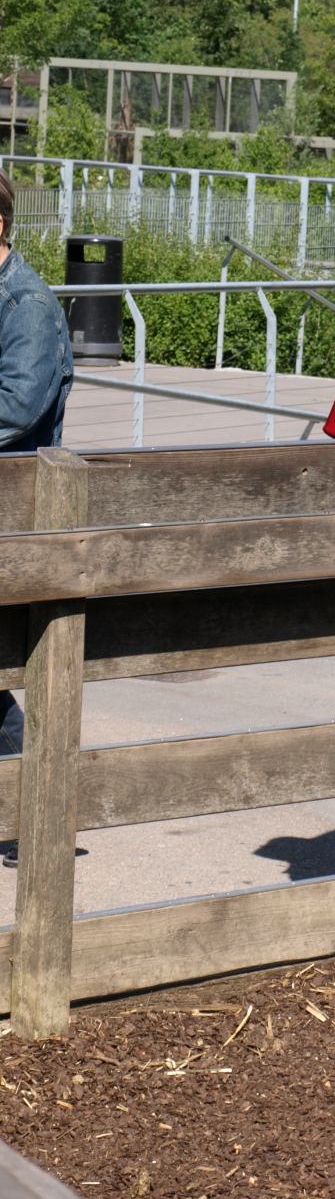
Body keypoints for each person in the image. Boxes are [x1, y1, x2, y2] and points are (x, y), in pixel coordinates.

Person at [0, 168, 74, 867]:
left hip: (14, 511)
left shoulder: (27, 305)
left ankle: (37, 816)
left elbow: (19, 408)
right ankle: (27, 814)